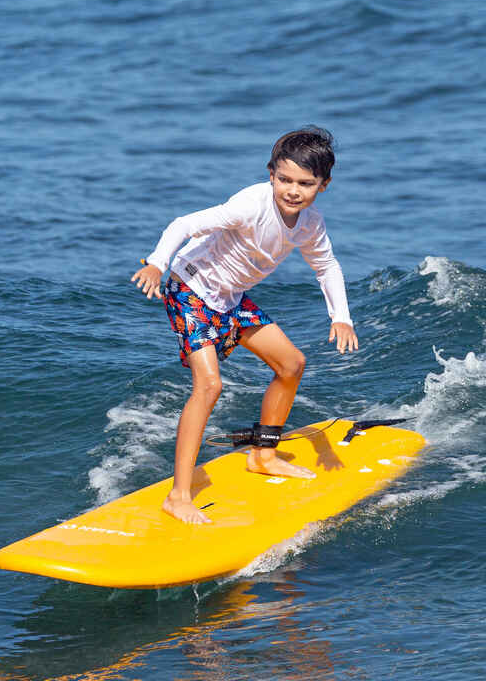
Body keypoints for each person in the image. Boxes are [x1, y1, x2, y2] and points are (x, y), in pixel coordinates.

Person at [131, 127, 358, 524]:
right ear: (271, 173)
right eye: (284, 179)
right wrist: (156, 261)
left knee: (292, 365)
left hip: (230, 300)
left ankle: (263, 454)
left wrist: (341, 317)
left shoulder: (310, 224)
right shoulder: (250, 205)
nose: (292, 190)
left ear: (324, 185)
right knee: (209, 385)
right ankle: (178, 495)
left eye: (305, 183)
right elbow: (185, 224)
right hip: (190, 288)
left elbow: (327, 266)